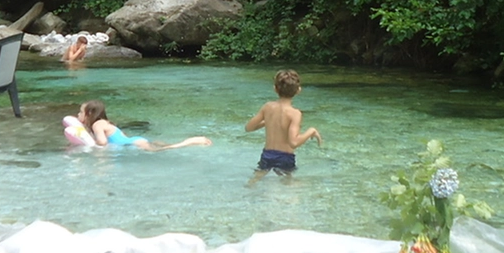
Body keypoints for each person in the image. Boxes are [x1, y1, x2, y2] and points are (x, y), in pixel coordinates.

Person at [245, 69, 322, 179]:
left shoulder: (268, 107)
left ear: (275, 89)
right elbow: (293, 142)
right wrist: (311, 131)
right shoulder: (295, 113)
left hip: (267, 154)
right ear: (298, 90)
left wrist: (267, 122)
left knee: (254, 181)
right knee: (288, 186)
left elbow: (248, 128)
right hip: (285, 157)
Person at [74, 100, 211, 151]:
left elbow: (102, 142)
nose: (78, 114)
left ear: (89, 113)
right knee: (162, 146)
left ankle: (193, 141)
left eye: (80, 112)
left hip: (135, 144)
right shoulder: (103, 123)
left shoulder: (97, 124)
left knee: (167, 149)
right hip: (135, 141)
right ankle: (193, 141)